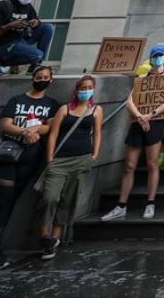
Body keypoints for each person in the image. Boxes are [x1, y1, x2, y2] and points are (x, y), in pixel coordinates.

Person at [0, 64, 58, 267]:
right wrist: (24, 132)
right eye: (38, 76)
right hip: (7, 155)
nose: (42, 80)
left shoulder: (51, 103)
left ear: (51, 80)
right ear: (33, 78)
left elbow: (50, 126)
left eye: (45, 77)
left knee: (11, 202)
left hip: (31, 157)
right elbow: (4, 123)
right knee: (1, 204)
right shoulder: (17, 100)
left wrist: (36, 129)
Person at [102, 45, 164, 222]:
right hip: (138, 122)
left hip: (156, 121)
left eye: (160, 56)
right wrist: (140, 116)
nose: (158, 59)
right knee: (129, 165)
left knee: (152, 163)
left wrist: (150, 115)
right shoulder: (141, 78)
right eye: (155, 56)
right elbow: (129, 101)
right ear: (151, 58)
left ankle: (150, 203)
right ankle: (121, 205)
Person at [35, 75, 103, 261]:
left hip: (82, 159)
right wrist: (50, 158)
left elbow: (97, 133)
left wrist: (94, 155)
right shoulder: (64, 109)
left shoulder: (96, 110)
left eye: (89, 87)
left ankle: (54, 240)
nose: (85, 91)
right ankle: (44, 236)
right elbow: (54, 134)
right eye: (82, 87)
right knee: (50, 197)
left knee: (68, 200)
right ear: (76, 90)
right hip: (60, 160)